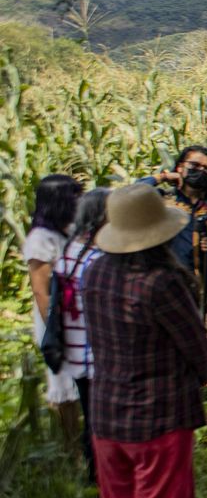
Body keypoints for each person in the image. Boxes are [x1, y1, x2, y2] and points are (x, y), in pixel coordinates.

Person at [84, 184, 207, 498]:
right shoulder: (163, 283)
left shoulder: (96, 272)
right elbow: (197, 351)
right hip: (158, 421)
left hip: (107, 418)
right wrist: (200, 376)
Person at [139, 145, 207, 392]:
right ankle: (183, 387)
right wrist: (162, 177)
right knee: (178, 336)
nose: (201, 172)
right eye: (194, 166)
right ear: (180, 167)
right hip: (175, 283)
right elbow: (133, 192)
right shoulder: (165, 200)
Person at [52, 187, 110, 482]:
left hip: (75, 348)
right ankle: (101, 476)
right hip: (97, 350)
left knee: (91, 416)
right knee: (103, 421)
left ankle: (93, 475)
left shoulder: (69, 251)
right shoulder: (99, 257)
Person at [24, 174, 83, 445]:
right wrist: (56, 331)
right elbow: (41, 291)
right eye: (75, 196)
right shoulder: (40, 239)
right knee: (62, 383)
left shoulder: (68, 231)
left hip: (77, 317)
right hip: (57, 320)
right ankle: (68, 446)